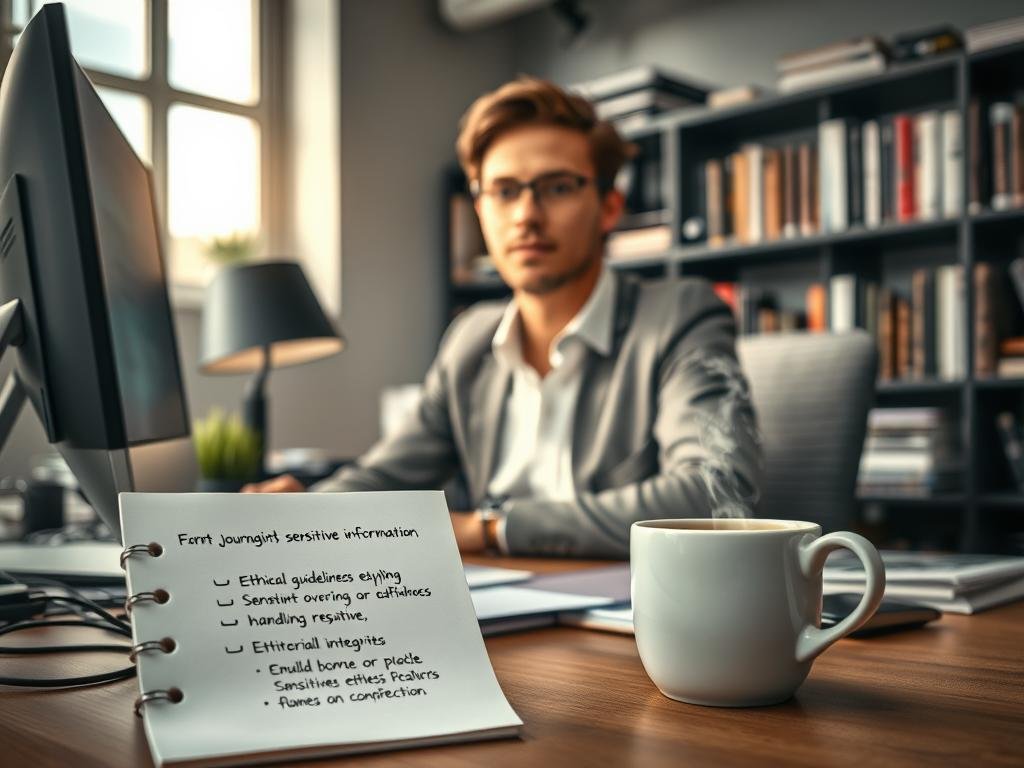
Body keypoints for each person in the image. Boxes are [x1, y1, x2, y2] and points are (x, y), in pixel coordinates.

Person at [244, 76, 762, 558]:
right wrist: (306, 511)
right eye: (504, 191)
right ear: (479, 207)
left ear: (608, 207)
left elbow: (715, 494)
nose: (526, 215)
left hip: (630, 618)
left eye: (557, 187)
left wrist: (492, 527)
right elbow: (385, 477)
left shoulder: (680, 316)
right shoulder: (471, 338)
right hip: (498, 602)